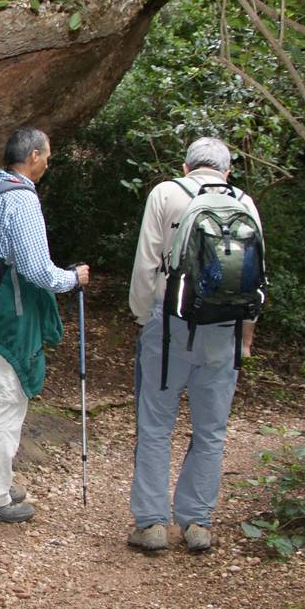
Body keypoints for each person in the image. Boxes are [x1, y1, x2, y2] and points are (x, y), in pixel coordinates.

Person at [126, 137, 261, 553]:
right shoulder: (246, 203)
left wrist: (142, 315)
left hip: (170, 329)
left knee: (155, 426)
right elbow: (256, 276)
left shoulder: (166, 193)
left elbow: (147, 260)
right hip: (225, 330)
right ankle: (197, 523)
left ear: (185, 167)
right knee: (211, 431)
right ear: (227, 171)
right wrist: (247, 335)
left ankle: (151, 524)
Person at [0, 127, 90, 524]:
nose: (48, 164)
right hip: (12, 318)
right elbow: (38, 270)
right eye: (48, 157)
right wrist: (73, 280)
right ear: (33, 156)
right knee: (6, 403)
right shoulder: (21, 200)